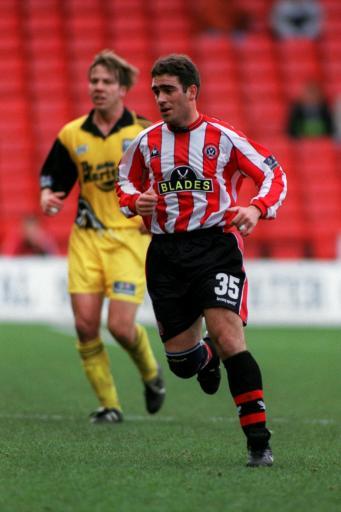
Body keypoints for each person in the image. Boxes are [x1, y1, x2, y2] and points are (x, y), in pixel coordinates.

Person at [117, 54, 287, 466]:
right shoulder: (145, 142)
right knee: (181, 363)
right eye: (156, 90)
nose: (160, 98)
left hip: (216, 247)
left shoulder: (223, 137)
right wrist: (132, 201)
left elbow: (273, 173)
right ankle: (204, 355)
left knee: (230, 338)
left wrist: (257, 208)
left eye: (168, 90)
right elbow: (123, 182)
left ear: (191, 91)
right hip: (165, 254)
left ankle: (258, 442)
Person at [39, 49, 165, 424]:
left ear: (123, 88)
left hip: (129, 238)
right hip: (87, 239)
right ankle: (110, 405)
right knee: (84, 325)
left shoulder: (144, 132)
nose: (98, 87)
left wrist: (153, 209)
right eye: (94, 81)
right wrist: (48, 195)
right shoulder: (72, 133)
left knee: (121, 327)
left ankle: (151, 375)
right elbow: (53, 179)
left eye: (107, 81)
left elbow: (165, 181)